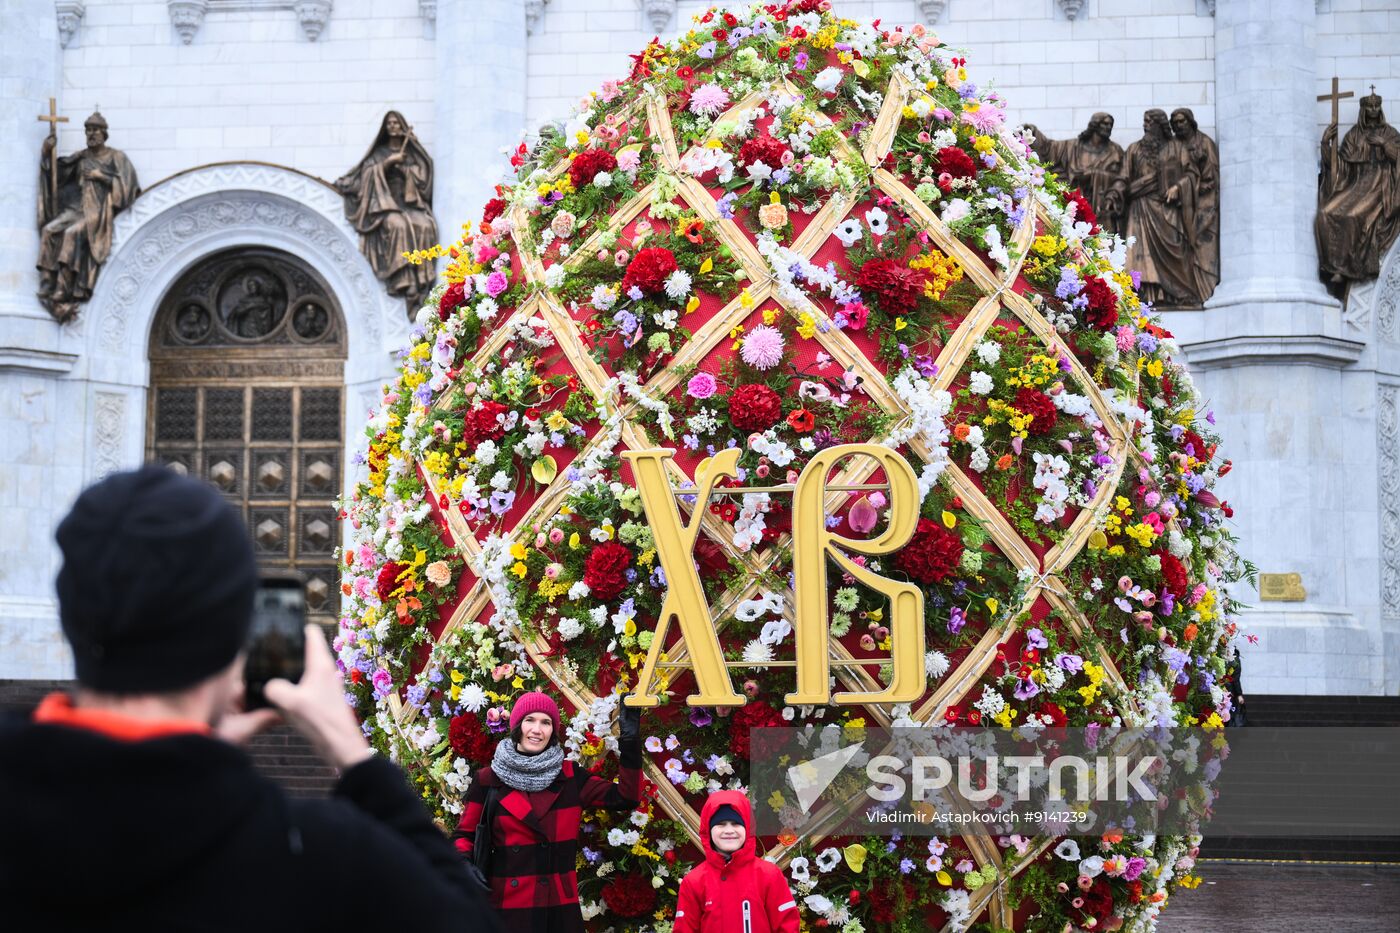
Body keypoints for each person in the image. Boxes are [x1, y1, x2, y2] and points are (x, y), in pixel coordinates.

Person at [0, 465, 501, 932]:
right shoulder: (316, 857)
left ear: (71, 614)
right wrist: (353, 755)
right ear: (236, 634)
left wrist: (192, 757)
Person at [452, 692, 643, 932]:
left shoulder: (571, 776)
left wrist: (630, 740)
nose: (537, 729)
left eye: (546, 722)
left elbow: (627, 797)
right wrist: (462, 863)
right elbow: (464, 835)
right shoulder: (487, 779)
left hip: (557, 908)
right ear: (517, 726)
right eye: (530, 720)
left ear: (553, 731)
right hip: (504, 907)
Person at [673, 790, 800, 933]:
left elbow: (787, 927)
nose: (729, 830)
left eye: (736, 824)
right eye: (721, 824)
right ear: (708, 830)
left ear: (748, 828)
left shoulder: (768, 875)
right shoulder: (694, 881)